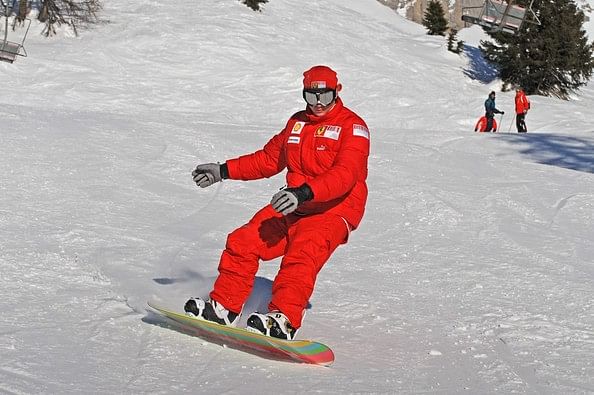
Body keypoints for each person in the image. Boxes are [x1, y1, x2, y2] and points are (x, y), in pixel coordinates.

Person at [185, 65, 370, 340]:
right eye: (311, 96)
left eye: (326, 96)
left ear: (337, 92)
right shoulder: (297, 124)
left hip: (332, 210)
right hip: (294, 204)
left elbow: (345, 175)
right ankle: (223, 308)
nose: (318, 104)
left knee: (302, 254)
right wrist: (223, 170)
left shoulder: (352, 127)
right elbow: (268, 159)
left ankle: (282, 320)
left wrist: (304, 193)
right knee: (243, 241)